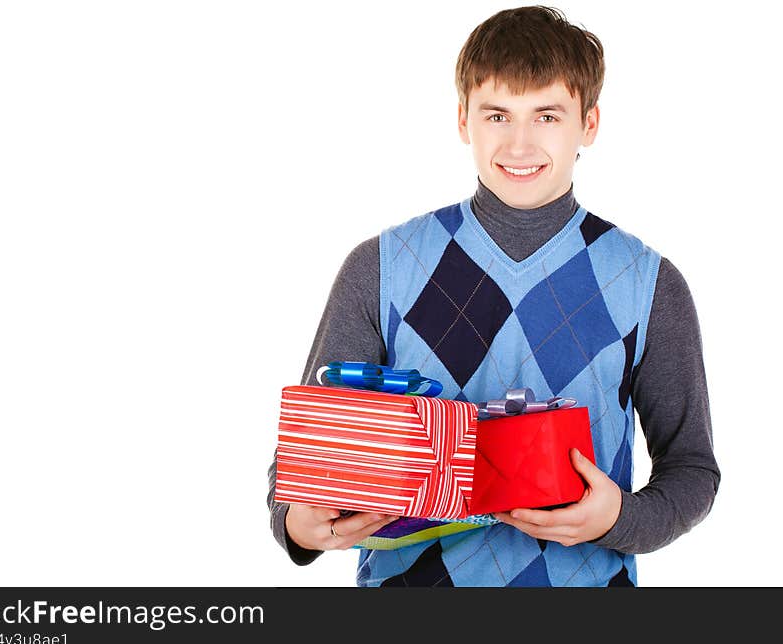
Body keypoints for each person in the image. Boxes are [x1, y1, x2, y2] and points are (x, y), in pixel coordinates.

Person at [267, 5, 720, 587]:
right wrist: (301, 526)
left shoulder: (651, 283)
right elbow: (298, 468)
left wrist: (619, 518)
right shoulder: (378, 268)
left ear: (589, 123)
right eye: (498, 114)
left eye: (548, 115)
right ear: (464, 120)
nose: (521, 142)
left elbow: (692, 470)